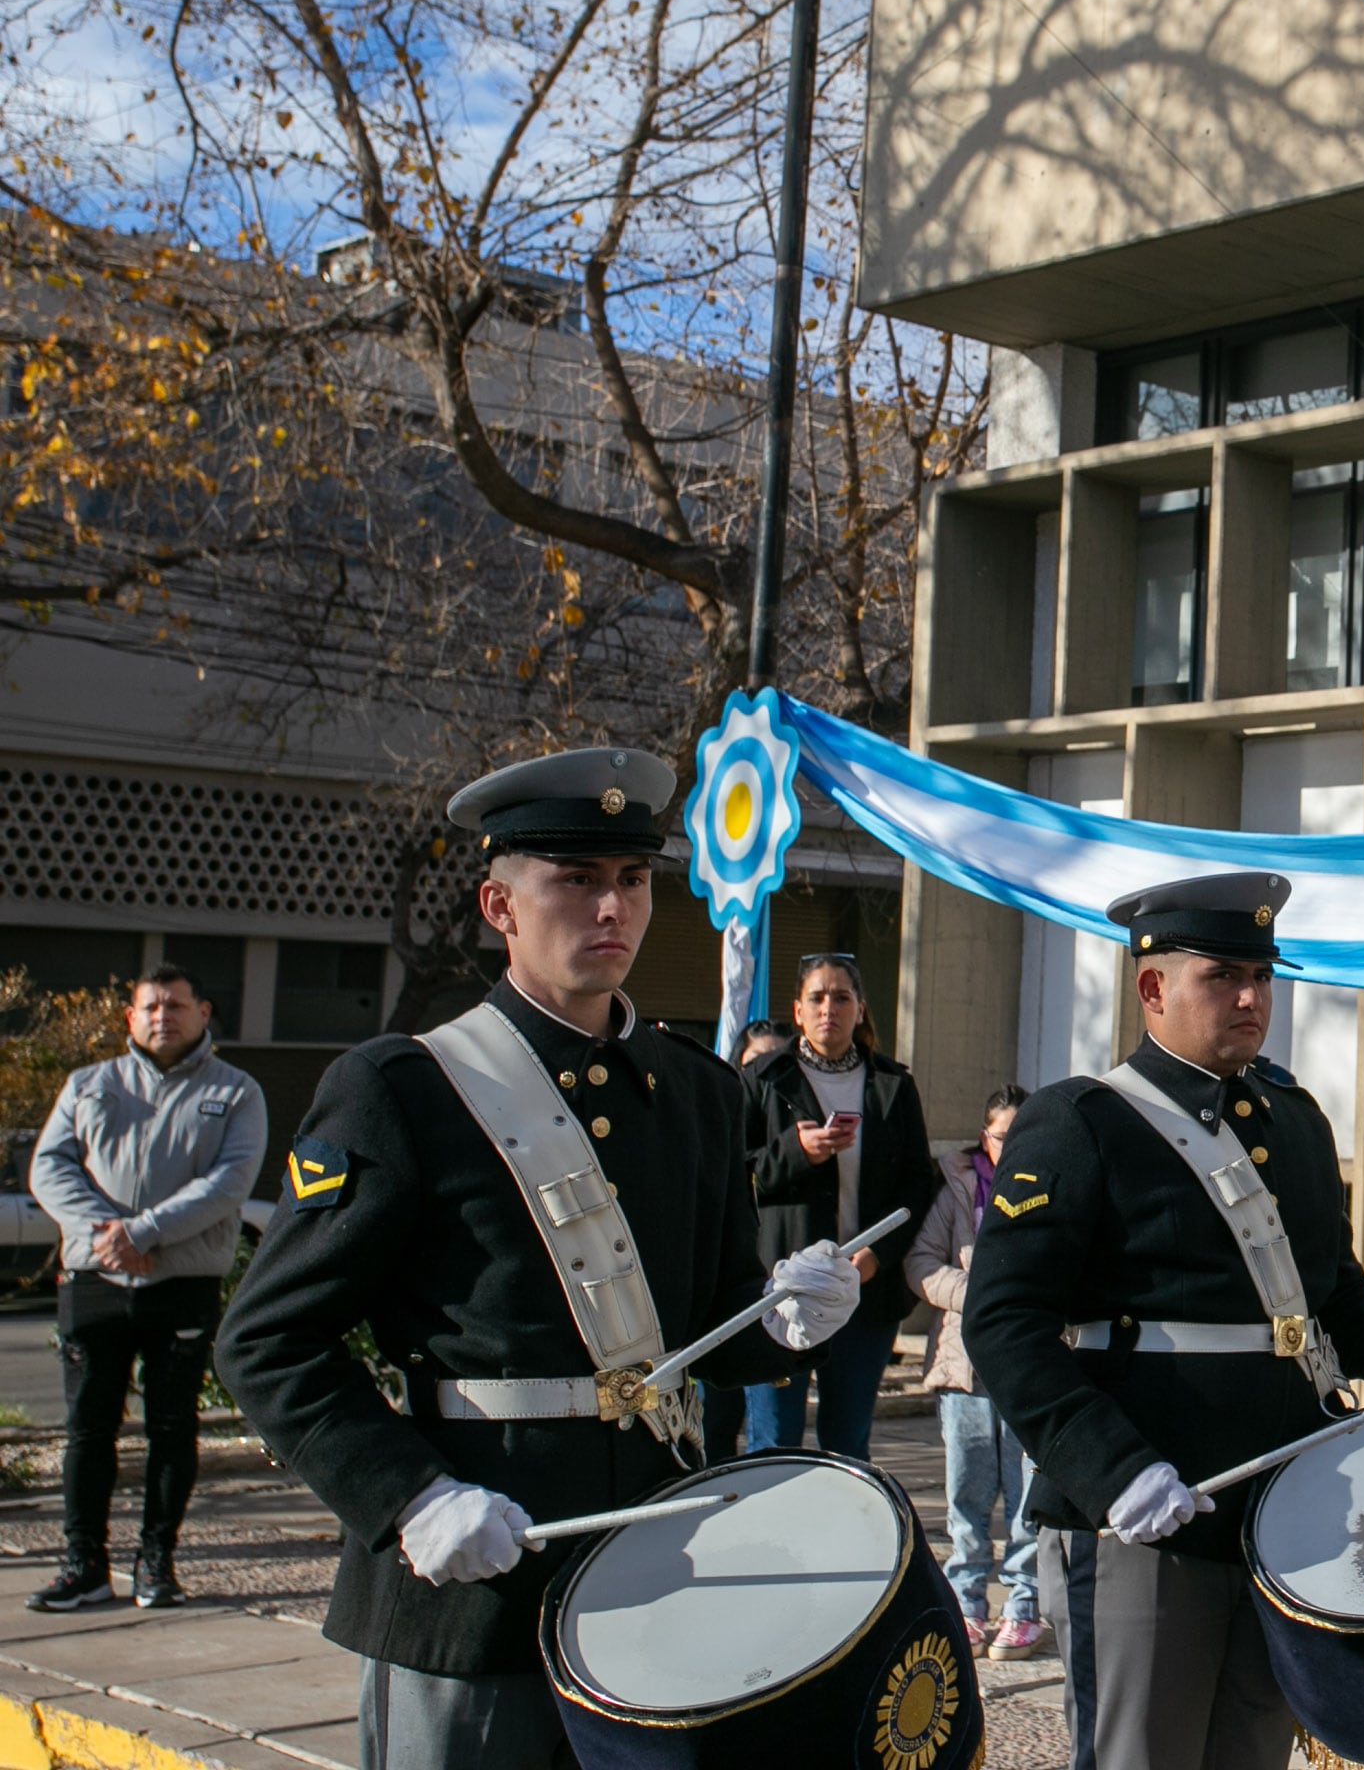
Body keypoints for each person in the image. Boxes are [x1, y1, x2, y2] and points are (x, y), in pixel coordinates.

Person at [213, 747, 860, 1770]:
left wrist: (780, 1316)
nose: (612, 907)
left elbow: (710, 1319)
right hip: (474, 1575)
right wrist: (409, 1495)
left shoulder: (695, 1088)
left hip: (655, 1561)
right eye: (575, 879)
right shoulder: (404, 1088)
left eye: (633, 880)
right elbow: (267, 1340)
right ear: (499, 904)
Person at [964, 871, 1364, 1770]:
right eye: (1222, 976)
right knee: (1143, 1754)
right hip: (1144, 1507)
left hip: (1286, 1501)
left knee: (1252, 1747)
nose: (1251, 998)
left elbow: (1331, 1298)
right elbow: (1005, 1323)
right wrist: (1113, 1470)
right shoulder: (1081, 1123)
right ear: (1152, 987)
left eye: (1262, 976)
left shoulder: (1292, 1121)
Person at [27, 962, 267, 1611]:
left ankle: (156, 1564)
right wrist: (106, 1232)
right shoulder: (89, 1084)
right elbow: (48, 1168)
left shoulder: (237, 1092)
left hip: (180, 1285)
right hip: (94, 1278)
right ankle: (87, 1566)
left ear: (203, 1013)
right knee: (87, 1430)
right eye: (150, 1008)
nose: (163, 1016)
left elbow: (229, 1182)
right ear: (130, 1019)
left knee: (171, 1427)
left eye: (176, 1005)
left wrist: (146, 1232)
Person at [741, 954, 939, 1458]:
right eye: (817, 997)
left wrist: (880, 1254)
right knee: (773, 1445)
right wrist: (794, 1153)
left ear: (860, 1009)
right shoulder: (763, 1079)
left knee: (848, 1445)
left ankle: (845, 1537)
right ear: (798, 1011)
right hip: (780, 1293)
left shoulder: (893, 1085)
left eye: (842, 997)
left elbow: (918, 1186)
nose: (829, 1007)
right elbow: (729, 1178)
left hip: (864, 1294)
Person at [907, 1085, 1044, 1655]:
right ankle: (966, 1601)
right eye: (1000, 1135)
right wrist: (977, 1292)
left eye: (1021, 1136)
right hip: (964, 1370)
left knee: (1025, 1496)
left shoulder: (1049, 1189)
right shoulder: (959, 1192)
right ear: (984, 1136)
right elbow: (920, 1265)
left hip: (1028, 1368)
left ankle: (1023, 1604)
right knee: (966, 1494)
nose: (1009, 1146)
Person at [698, 1018, 800, 1465]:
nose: (769, 1073)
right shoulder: (714, 1124)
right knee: (712, 1428)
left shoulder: (803, 1124)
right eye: (760, 1063)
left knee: (771, 1439)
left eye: (781, 1061)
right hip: (720, 1304)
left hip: (775, 1299)